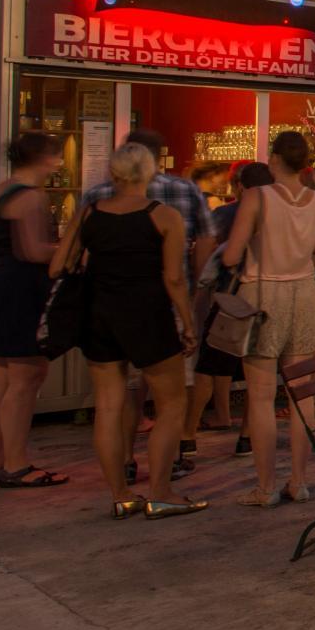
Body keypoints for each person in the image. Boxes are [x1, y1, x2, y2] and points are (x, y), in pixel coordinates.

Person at [52, 141, 202, 519]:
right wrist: (187, 321)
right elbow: (174, 278)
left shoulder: (88, 214)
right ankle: (161, 491)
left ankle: (121, 494)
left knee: (108, 406)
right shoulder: (163, 216)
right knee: (170, 404)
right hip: (147, 313)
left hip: (99, 314)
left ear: (114, 174)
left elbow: (57, 266)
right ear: (149, 173)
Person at [218, 130, 315, 508]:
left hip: (262, 294)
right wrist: (306, 260)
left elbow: (229, 256)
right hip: (305, 294)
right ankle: (299, 481)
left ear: (274, 160)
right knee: (303, 397)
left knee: (260, 398)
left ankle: (266, 485)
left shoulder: (257, 197)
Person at [86, 128, 215, 476]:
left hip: (107, 308)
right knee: (169, 396)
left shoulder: (97, 196)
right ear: (157, 158)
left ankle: (124, 467)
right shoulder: (184, 192)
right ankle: (166, 468)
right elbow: (203, 245)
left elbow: (76, 257)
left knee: (120, 397)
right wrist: (194, 299)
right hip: (164, 306)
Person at [0, 132, 66, 489]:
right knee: (26, 379)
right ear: (45, 158)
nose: (59, 164)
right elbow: (32, 251)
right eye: (56, 157)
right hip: (21, 289)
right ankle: (17, 465)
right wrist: (68, 244)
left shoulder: (1, 190)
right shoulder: (32, 198)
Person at [195, 162, 274, 448]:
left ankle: (187, 437)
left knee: (209, 365)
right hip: (268, 297)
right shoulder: (280, 214)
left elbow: (221, 255)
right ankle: (246, 437)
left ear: (240, 186)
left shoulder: (227, 213)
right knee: (258, 370)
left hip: (232, 297)